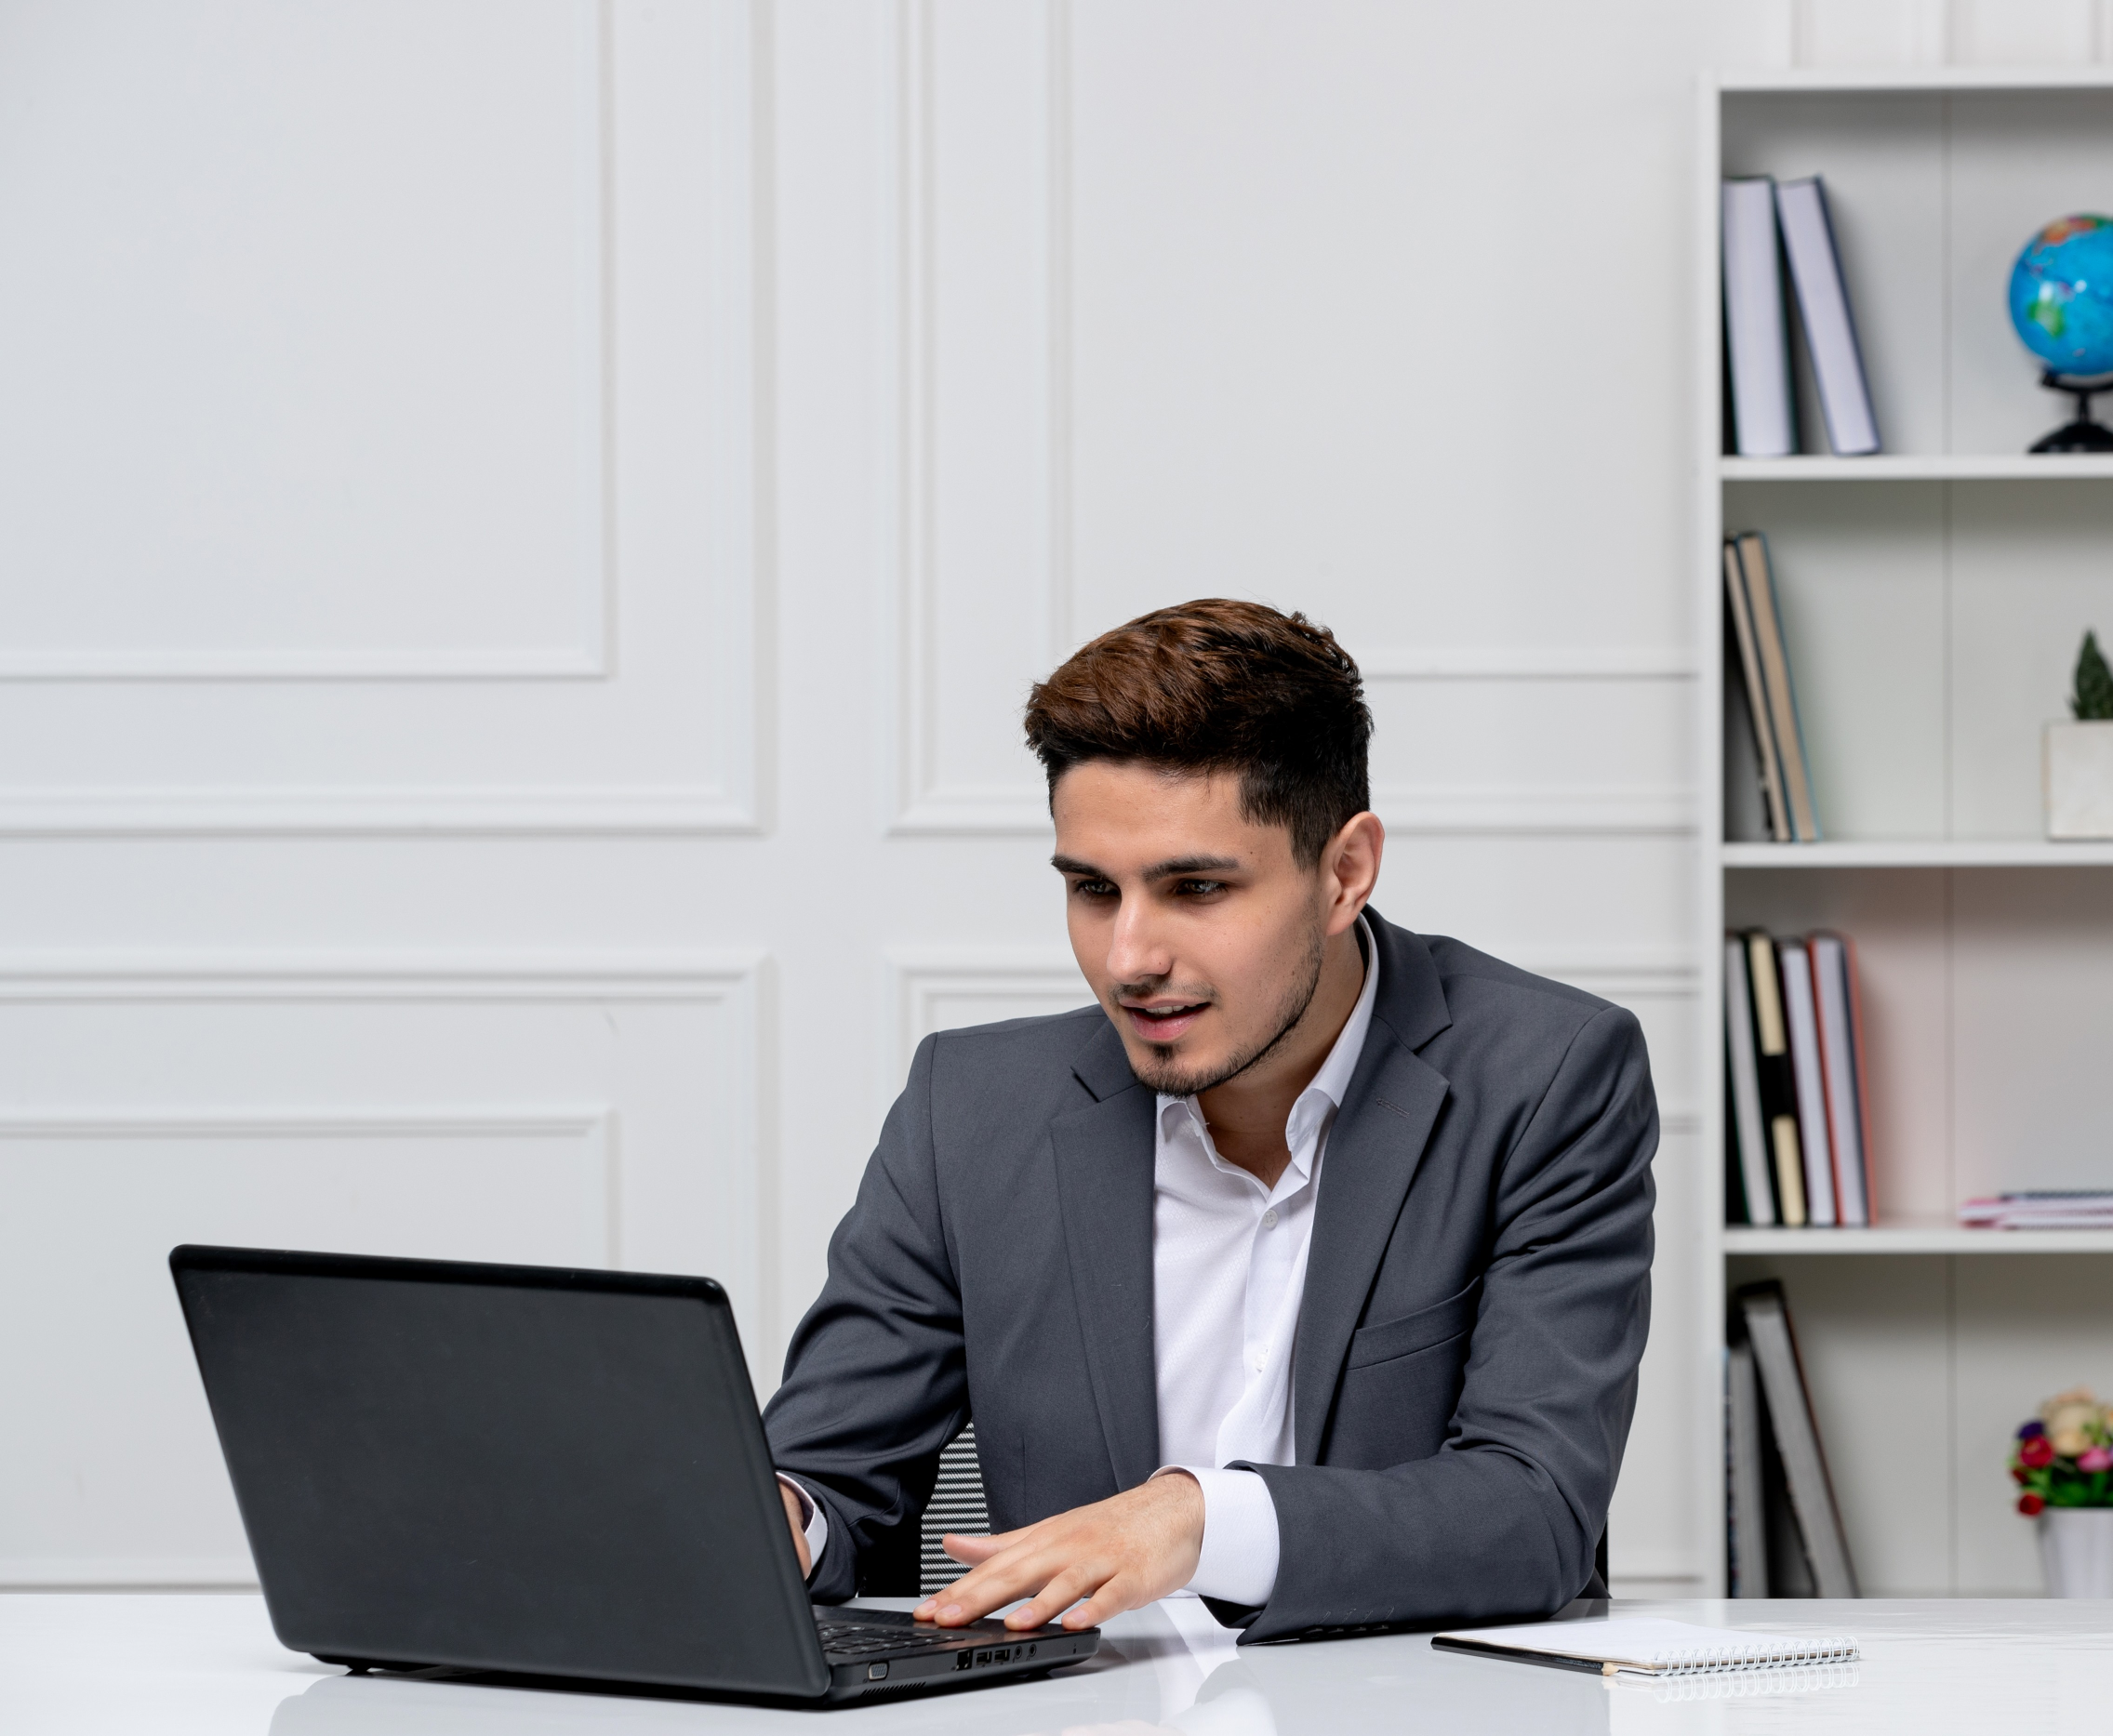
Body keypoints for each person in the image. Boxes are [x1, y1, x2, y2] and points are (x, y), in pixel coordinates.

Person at [764, 599, 1655, 1643]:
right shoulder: (969, 1107)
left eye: (1195, 888)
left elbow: (1533, 1509)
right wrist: (776, 1522)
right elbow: (829, 1474)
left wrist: (1198, 1518)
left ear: (1344, 872)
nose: (1129, 957)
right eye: (1094, 888)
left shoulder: (1545, 1076)